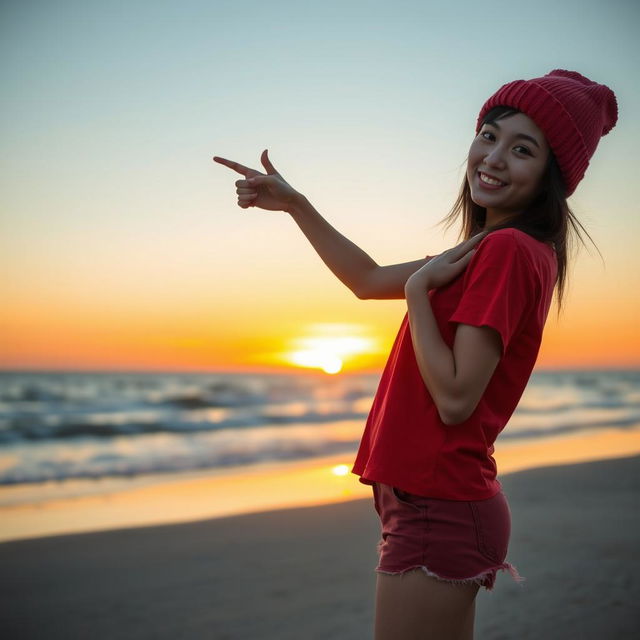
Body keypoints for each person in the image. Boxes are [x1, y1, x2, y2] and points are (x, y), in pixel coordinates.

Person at [213, 69, 617, 639]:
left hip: (438, 503)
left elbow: (454, 397)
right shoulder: (489, 248)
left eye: (522, 150)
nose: (494, 158)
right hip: (435, 501)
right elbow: (367, 277)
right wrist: (297, 205)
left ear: (552, 176)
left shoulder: (506, 251)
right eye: (489, 135)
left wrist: (416, 295)